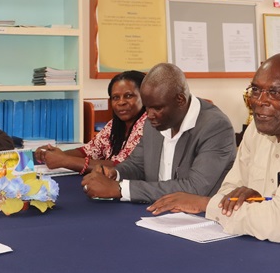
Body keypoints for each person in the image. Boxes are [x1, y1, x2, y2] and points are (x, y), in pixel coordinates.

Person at [146, 53, 280, 244]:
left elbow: (279, 225)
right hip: (256, 243)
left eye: (274, 92)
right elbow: (228, 194)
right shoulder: (259, 129)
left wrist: (204, 204)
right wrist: (257, 203)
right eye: (256, 90)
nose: (259, 102)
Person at [81, 63, 236, 203]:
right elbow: (137, 164)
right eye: (147, 107)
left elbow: (195, 188)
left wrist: (121, 189)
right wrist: (115, 173)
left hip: (198, 220)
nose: (149, 115)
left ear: (180, 100)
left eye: (157, 108)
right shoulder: (154, 122)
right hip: (155, 211)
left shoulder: (215, 127)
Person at [35, 71, 147, 173]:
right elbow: (89, 150)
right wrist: (52, 154)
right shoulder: (115, 124)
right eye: (115, 98)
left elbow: (121, 167)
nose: (121, 102)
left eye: (128, 96)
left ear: (145, 97)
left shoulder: (147, 125)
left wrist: (65, 160)